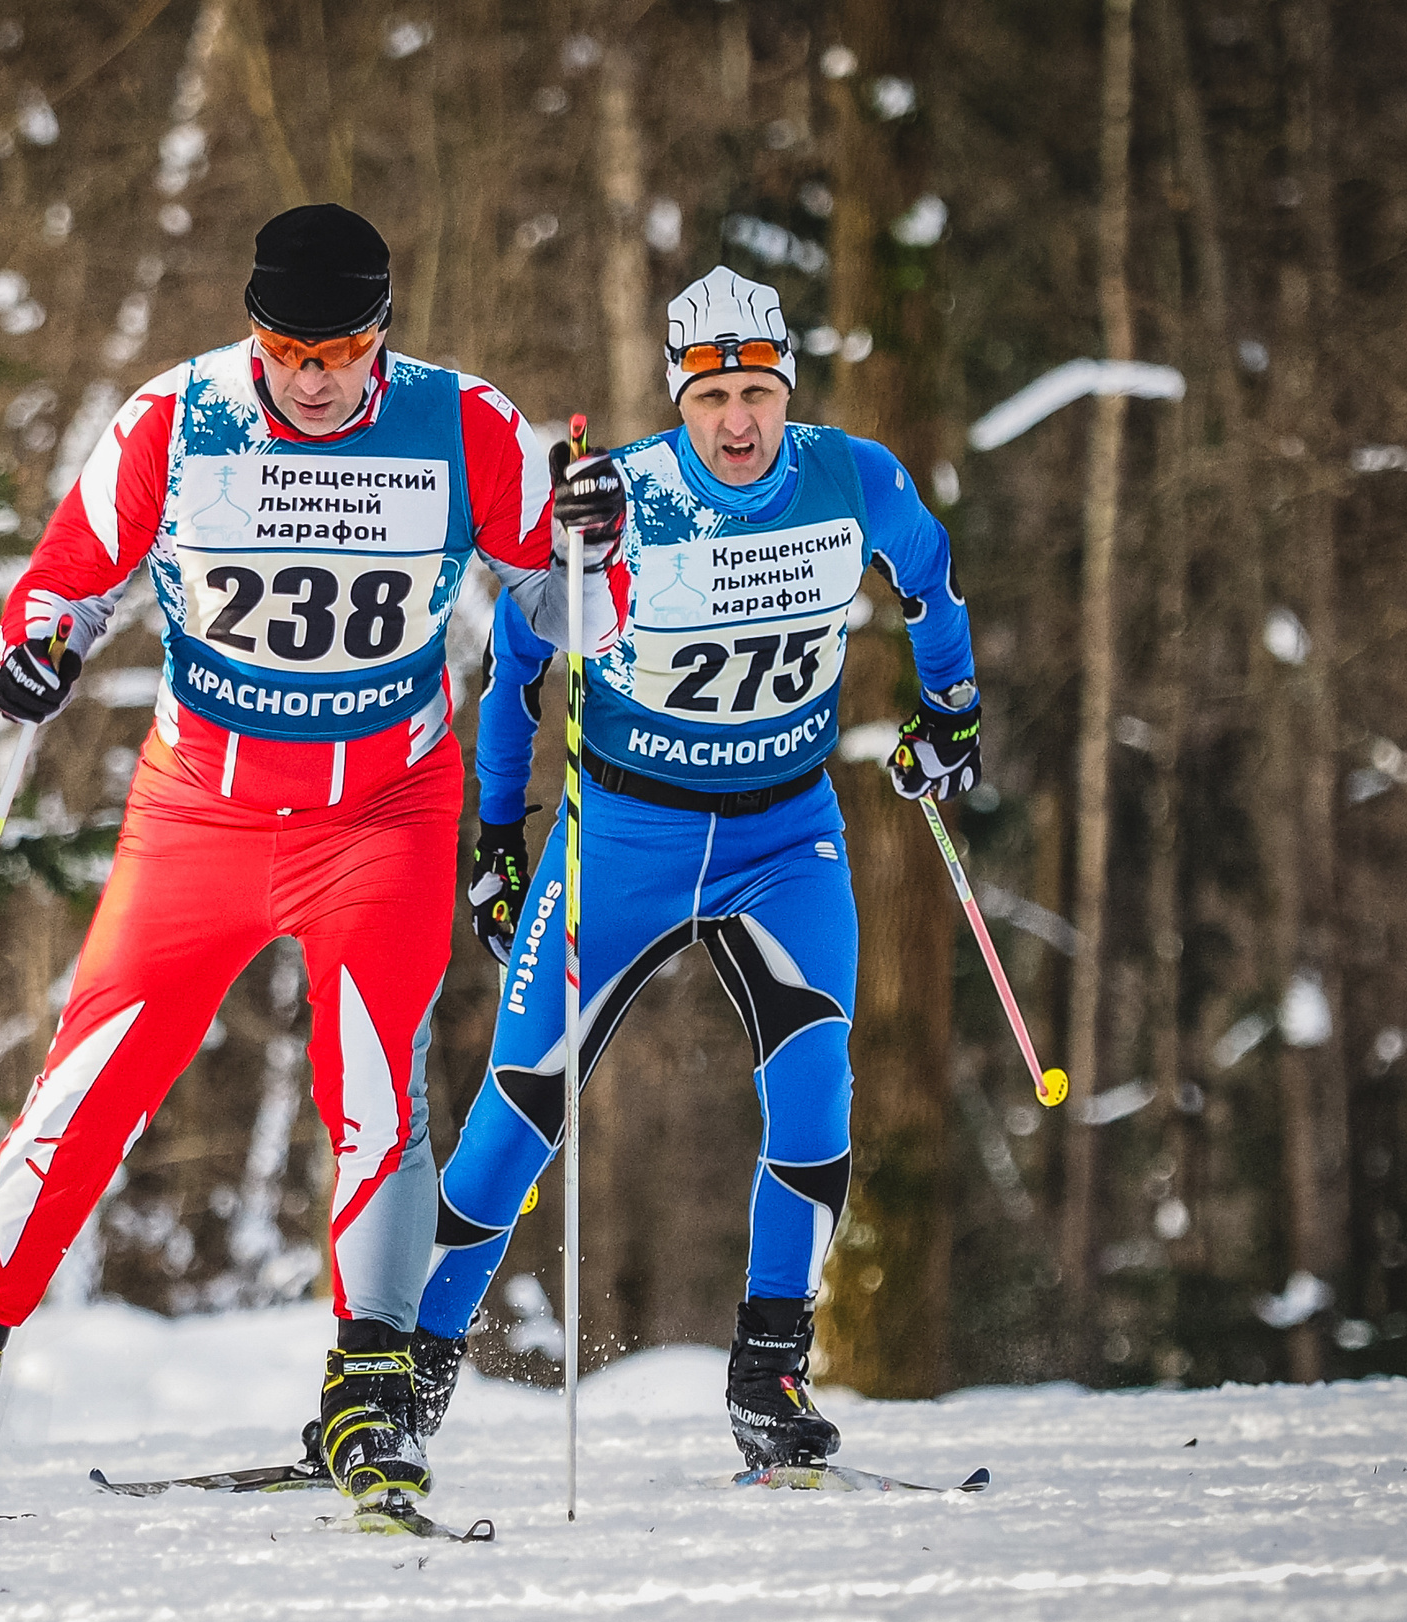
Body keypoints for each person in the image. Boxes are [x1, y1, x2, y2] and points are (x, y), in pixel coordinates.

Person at [0, 205, 562, 1509]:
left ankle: (370, 1386)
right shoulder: (179, 417)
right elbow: (69, 577)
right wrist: (40, 644)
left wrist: (592, 546)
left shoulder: (464, 423)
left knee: (378, 1095)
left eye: (339, 348)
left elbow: (559, 589)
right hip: (201, 813)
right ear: (251, 329)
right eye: (285, 345)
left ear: (381, 334)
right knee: (89, 1080)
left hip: (382, 812)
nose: (311, 376)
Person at [409, 265, 981, 1470]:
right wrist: (497, 839)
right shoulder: (621, 500)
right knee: (518, 1109)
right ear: (680, 398)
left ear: (788, 390)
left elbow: (932, 581)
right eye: (712, 395)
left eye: (759, 392)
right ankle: (402, 1376)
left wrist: (954, 713)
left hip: (786, 836)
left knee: (818, 1096)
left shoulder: (855, 479)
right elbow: (517, 668)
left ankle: (769, 1376)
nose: (737, 420)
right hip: (626, 835)